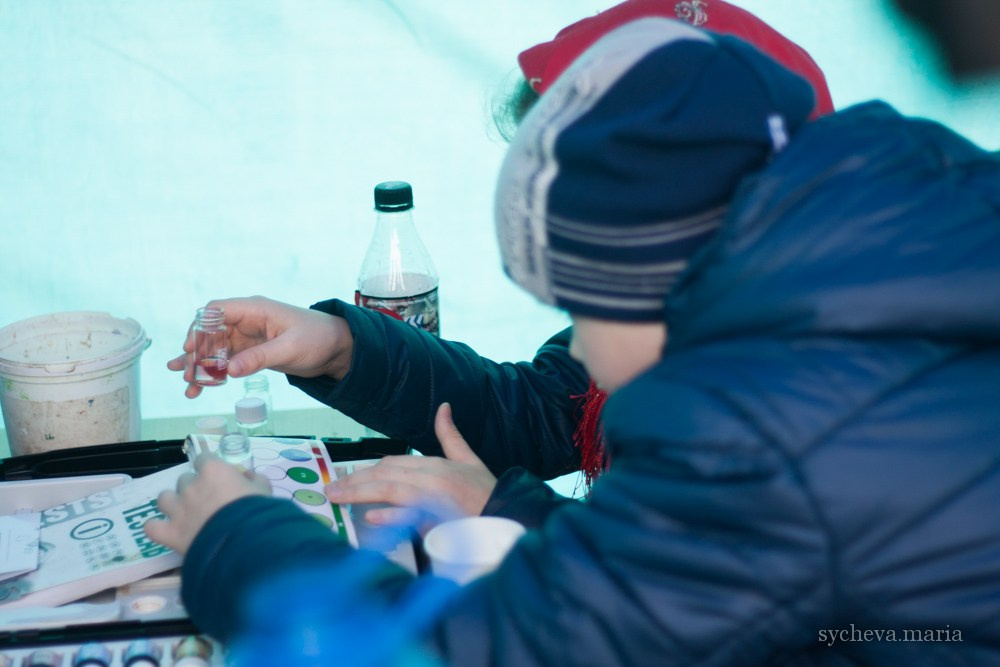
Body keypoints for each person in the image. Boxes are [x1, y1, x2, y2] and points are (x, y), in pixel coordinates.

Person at [146, 12, 1000, 665]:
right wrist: (344, 345)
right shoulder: (846, 297)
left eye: (582, 309)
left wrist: (236, 535)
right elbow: (552, 422)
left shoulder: (769, 428)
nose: (581, 350)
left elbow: (481, 649)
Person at [164, 0, 837, 532]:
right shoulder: (696, 317)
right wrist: (342, 347)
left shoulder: (808, 400)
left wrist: (506, 517)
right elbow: (546, 412)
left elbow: (678, 600)